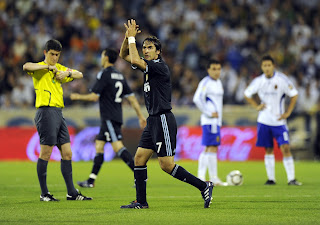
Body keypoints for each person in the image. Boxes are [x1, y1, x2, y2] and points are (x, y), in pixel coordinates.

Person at [118, 19, 213, 209]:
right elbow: (123, 55)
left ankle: (204, 185)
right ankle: (141, 202)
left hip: (163, 119)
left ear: (158, 51)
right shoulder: (147, 66)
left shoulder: (159, 66)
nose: (146, 50)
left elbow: (134, 59)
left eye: (150, 47)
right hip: (152, 120)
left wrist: (132, 39)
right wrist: (127, 37)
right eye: (144, 47)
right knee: (139, 158)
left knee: (166, 165)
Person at [22, 39, 92, 201]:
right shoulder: (40, 68)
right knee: (46, 152)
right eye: (52, 54)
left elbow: (79, 74)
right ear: (45, 53)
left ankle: (71, 193)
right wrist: (47, 67)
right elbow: (26, 66)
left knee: (67, 153)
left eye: (57, 55)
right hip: (45, 112)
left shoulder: (59, 68)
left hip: (59, 113)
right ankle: (44, 193)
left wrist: (65, 73)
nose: (55, 58)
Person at [70, 48, 146, 188]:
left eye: (102, 55)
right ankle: (91, 181)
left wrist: (77, 96)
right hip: (113, 116)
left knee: (118, 147)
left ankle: (139, 176)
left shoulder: (104, 74)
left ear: (105, 58)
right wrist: (140, 116)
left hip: (109, 117)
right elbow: (132, 98)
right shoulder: (120, 75)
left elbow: (94, 97)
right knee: (99, 146)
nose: (101, 57)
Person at [244, 55, 302, 186]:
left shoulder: (282, 79)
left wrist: (288, 112)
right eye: (264, 66)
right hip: (264, 120)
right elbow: (247, 94)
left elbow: (294, 94)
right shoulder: (258, 81)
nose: (267, 68)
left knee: (285, 147)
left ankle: (291, 179)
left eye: (269, 65)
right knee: (268, 149)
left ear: (273, 66)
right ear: (261, 67)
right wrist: (256, 106)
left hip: (279, 122)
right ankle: (271, 179)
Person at [193, 59, 228, 186]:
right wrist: (208, 112)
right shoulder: (206, 82)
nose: (216, 71)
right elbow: (197, 99)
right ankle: (203, 176)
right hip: (209, 121)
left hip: (215, 121)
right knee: (209, 147)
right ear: (208, 70)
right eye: (214, 69)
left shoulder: (218, 82)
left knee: (212, 147)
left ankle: (212, 177)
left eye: (218, 69)